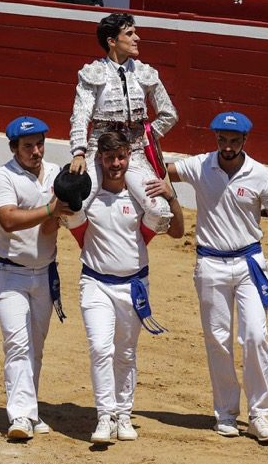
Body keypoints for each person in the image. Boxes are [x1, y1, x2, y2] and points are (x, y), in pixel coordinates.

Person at [150, 111, 268, 442]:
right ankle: (226, 412)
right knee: (217, 339)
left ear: (244, 141)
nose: (228, 146)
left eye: (234, 141)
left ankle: (260, 414)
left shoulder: (259, 174)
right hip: (211, 264)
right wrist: (154, 162)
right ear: (216, 139)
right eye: (223, 140)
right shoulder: (201, 165)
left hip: (249, 264)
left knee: (255, 337)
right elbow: (161, 168)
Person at [67, 131, 184, 444]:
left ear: (129, 158)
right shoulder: (87, 199)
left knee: (127, 353)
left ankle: (124, 414)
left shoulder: (140, 199)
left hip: (133, 285)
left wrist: (171, 196)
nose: (115, 164)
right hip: (95, 283)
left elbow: (177, 231)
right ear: (101, 160)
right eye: (109, 158)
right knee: (100, 348)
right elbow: (67, 221)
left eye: (120, 157)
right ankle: (104, 416)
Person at [0, 116, 73, 440]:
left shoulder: (55, 175)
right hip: (9, 273)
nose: (35, 151)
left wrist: (63, 211)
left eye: (39, 144)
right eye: (27, 146)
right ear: (13, 148)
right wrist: (51, 210)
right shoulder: (2, 177)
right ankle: (20, 416)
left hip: (45, 272)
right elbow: (8, 220)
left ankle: (30, 411)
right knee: (17, 342)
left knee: (35, 346)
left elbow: (52, 226)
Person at [68, 12, 178, 238]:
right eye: (129, 33)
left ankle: (133, 245)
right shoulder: (93, 73)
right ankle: (90, 244)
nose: (137, 38)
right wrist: (79, 153)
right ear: (112, 41)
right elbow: (80, 115)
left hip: (134, 151)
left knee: (159, 210)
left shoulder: (144, 73)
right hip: (99, 151)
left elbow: (169, 114)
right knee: (74, 205)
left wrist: (147, 136)